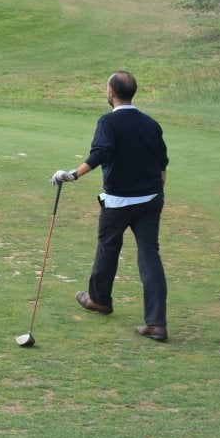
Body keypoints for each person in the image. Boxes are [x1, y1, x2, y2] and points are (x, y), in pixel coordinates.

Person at [51, 71, 170, 342]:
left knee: (108, 246)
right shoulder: (151, 123)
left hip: (118, 202)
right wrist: (157, 191)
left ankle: (100, 300)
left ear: (111, 93)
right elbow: (162, 163)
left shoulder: (108, 122)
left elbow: (101, 153)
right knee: (150, 256)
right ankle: (157, 323)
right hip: (151, 199)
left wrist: (72, 174)